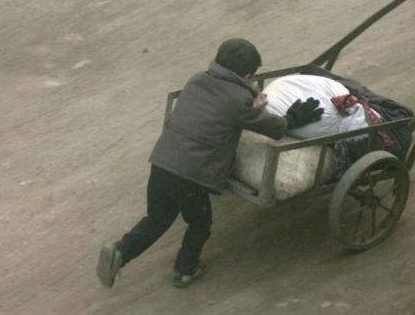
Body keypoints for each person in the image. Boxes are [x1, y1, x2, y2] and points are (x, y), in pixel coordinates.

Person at [96, 38, 324, 289]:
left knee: (157, 218)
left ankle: (121, 250)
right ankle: (185, 270)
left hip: (163, 161)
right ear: (247, 74)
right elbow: (275, 127)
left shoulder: (195, 80)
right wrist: (292, 116)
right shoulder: (239, 100)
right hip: (190, 175)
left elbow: (221, 107)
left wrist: (249, 100)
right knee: (200, 224)